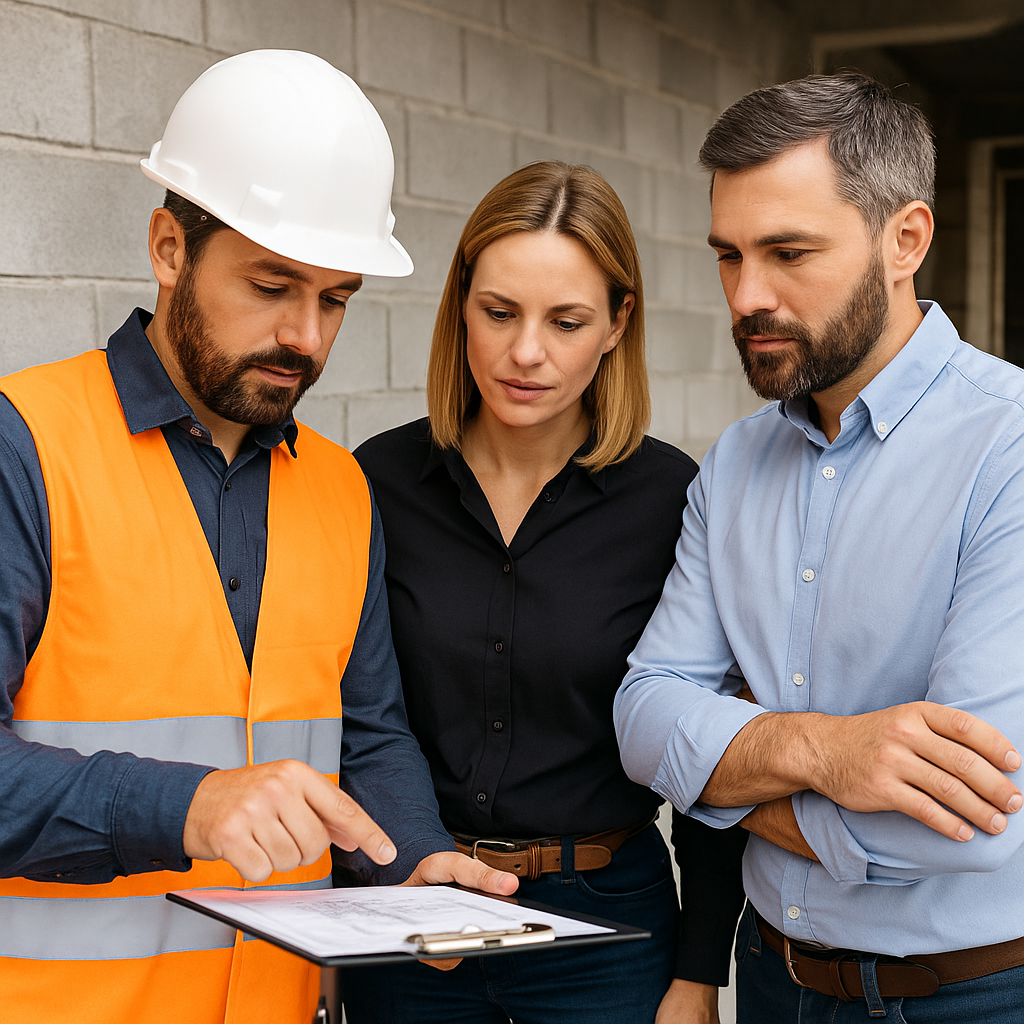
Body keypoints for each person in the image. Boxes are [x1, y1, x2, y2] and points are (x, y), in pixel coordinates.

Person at [0, 50, 516, 1024]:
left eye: (335, 298)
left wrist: (414, 856)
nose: (307, 337)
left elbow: (365, 733)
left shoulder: (339, 487)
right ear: (168, 248)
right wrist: (186, 806)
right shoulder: (24, 446)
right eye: (272, 285)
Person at [614, 72, 1024, 1023]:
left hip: (971, 998)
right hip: (773, 982)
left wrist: (725, 783)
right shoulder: (736, 462)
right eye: (728, 256)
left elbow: (966, 828)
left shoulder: (1008, 448)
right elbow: (642, 717)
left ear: (904, 240)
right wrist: (831, 751)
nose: (747, 296)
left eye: (788, 252)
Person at [338, 161, 747, 1024]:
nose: (527, 352)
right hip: (415, 914)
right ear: (460, 306)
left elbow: (713, 744)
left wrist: (699, 970)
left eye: (566, 322)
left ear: (616, 324)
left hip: (607, 934)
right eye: (499, 313)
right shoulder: (377, 480)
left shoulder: (673, 499)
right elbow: (356, 715)